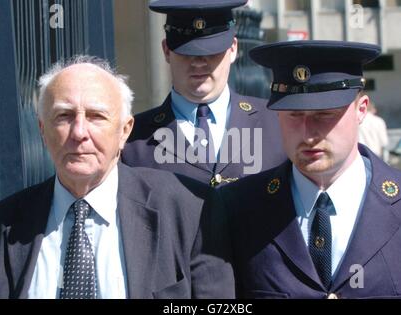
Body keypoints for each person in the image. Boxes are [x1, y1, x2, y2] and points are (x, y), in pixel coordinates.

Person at [0, 56, 234, 299]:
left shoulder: (189, 210)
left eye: (96, 116)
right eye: (64, 116)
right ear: (42, 130)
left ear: (125, 131)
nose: (79, 132)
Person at [219, 40, 401, 299]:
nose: (308, 134)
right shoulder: (239, 209)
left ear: (361, 110)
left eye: (325, 114)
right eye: (294, 115)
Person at [121, 0, 285, 188]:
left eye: (212, 52)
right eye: (187, 52)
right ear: (166, 51)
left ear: (233, 49)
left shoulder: (277, 123)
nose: (199, 63)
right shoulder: (132, 140)